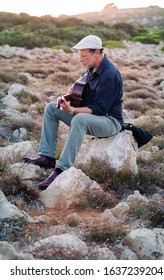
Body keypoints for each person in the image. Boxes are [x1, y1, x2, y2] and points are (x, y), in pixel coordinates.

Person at [23, 35, 124, 190]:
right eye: (79, 56)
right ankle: (47, 157)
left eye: (84, 56)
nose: (80, 60)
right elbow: (79, 89)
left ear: (97, 52)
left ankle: (62, 168)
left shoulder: (110, 74)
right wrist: (67, 96)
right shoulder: (91, 69)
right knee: (51, 108)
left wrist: (72, 110)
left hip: (109, 122)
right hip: (91, 118)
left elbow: (99, 109)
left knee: (80, 119)